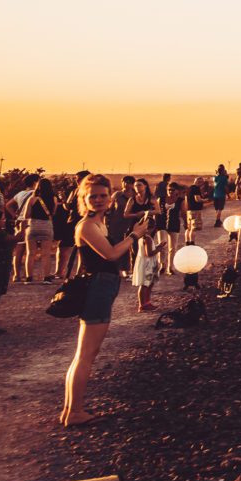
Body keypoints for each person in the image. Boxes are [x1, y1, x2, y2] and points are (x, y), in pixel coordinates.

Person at [66, 173, 151, 427]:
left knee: (85, 354)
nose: (100, 200)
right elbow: (112, 254)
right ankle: (74, 412)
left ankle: (71, 409)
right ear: (84, 198)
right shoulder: (87, 226)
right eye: (93, 196)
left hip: (103, 287)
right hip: (97, 289)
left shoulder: (98, 223)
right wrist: (135, 235)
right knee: (85, 355)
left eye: (104, 195)